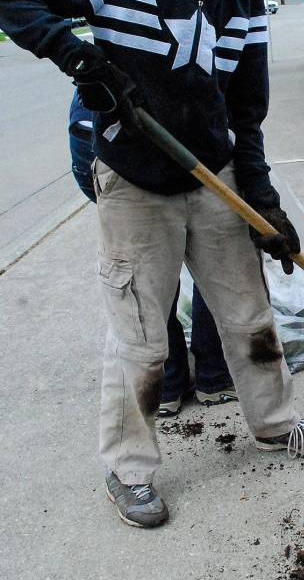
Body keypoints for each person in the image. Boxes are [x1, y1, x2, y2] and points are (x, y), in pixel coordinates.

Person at [0, 0, 304, 529]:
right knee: (140, 334)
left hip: (211, 176)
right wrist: (77, 57)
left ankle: (276, 423)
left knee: (247, 314)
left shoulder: (243, 1)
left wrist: (264, 205)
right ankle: (128, 471)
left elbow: (246, 115)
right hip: (134, 182)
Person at [69, 92, 236, 415]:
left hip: (191, 155)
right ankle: (170, 383)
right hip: (120, 162)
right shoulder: (112, 65)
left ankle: (205, 377)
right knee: (151, 275)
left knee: (211, 265)